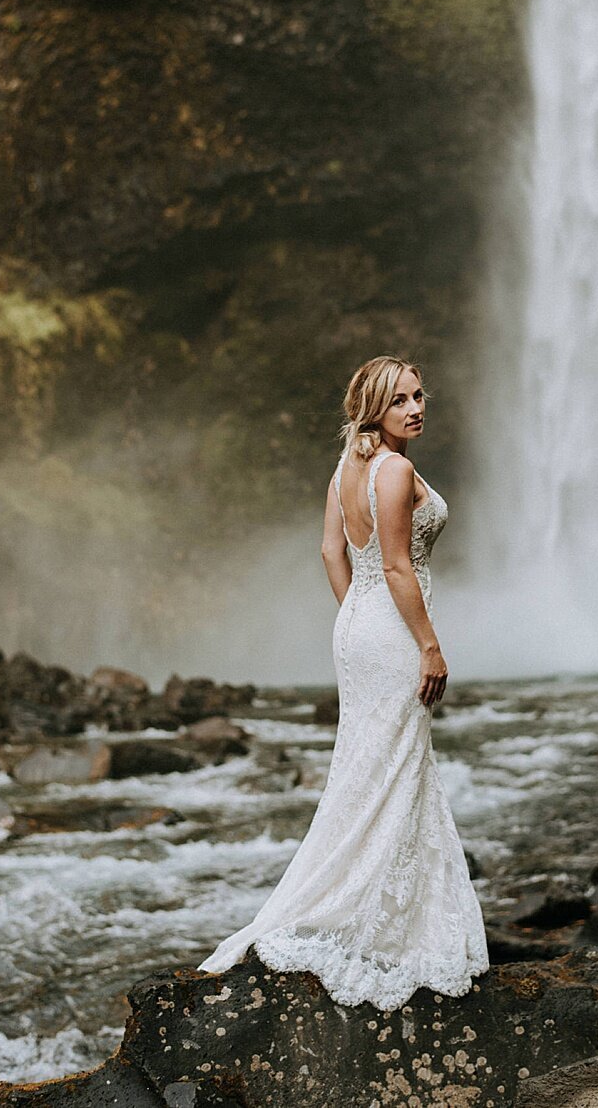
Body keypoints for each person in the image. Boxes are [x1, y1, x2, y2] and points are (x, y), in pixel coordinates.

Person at [199, 355, 488, 1008]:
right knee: (395, 771)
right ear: (374, 411)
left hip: (359, 629)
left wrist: (358, 620)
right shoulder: (396, 469)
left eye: (420, 396)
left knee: (370, 770)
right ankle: (378, 927)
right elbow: (394, 564)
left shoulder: (347, 466)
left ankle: (368, 906)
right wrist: (428, 645)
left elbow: (334, 554)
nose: (415, 408)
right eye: (400, 402)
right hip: (392, 630)